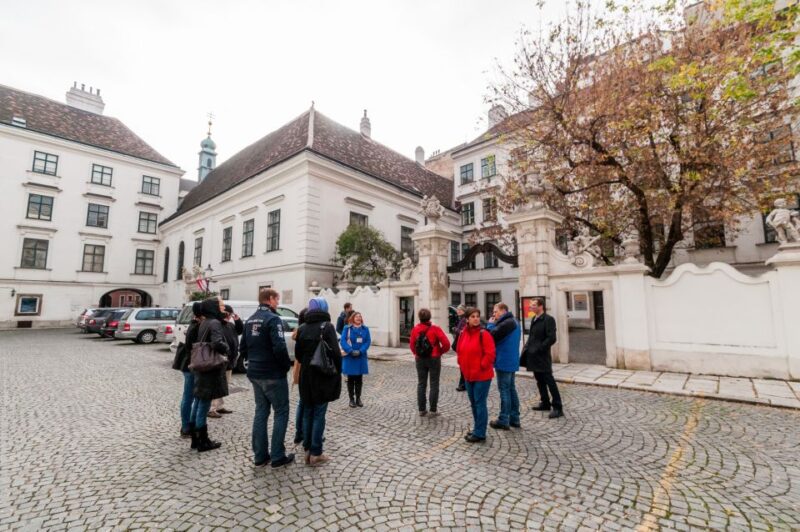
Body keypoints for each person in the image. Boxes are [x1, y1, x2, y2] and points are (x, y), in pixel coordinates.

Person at [240, 288, 295, 468]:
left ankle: (260, 456)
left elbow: (243, 348)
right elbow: (279, 347)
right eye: (277, 300)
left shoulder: (249, 320)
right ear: (270, 299)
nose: (278, 303)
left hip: (255, 372)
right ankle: (278, 455)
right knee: (281, 411)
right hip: (272, 373)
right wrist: (286, 365)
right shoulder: (273, 319)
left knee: (261, 412)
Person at [295, 297, 342, 466]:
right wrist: (337, 372)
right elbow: (336, 354)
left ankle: (307, 448)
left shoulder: (302, 328)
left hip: (306, 376)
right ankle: (316, 452)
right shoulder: (327, 327)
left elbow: (298, 355)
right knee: (319, 414)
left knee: (307, 411)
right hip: (322, 376)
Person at [191, 297, 230, 452]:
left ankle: (196, 438)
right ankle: (203, 441)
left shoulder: (205, 321)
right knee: (204, 404)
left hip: (202, 365)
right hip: (210, 367)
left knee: (200, 402)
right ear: (213, 307)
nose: (223, 307)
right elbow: (216, 343)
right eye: (219, 305)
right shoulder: (214, 322)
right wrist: (226, 348)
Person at [456, 307, 496, 443]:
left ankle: (480, 433)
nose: (476, 319)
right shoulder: (463, 333)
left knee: (479, 403)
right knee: (474, 403)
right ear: (467, 319)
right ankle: (477, 428)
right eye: (473, 316)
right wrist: (461, 363)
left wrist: (481, 366)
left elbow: (490, 354)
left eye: (477, 316)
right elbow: (459, 350)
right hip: (468, 375)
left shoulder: (484, 334)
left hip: (481, 376)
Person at [522, 297, 563, 419]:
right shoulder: (534, 318)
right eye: (531, 305)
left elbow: (551, 338)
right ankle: (545, 402)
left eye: (534, 305)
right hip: (533, 355)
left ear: (541, 306)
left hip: (542, 356)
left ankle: (558, 407)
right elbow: (532, 336)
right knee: (539, 380)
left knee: (549, 381)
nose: (531, 307)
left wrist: (540, 348)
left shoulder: (548, 319)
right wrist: (527, 347)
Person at [409, 308, 451, 417]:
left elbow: (412, 345)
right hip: (434, 358)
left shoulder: (415, 329)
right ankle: (433, 410)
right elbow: (446, 344)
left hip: (420, 359)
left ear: (419, 317)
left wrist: (416, 354)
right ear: (429, 317)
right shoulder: (435, 329)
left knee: (421, 384)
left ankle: (421, 410)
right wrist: (440, 352)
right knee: (434, 384)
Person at [487, 303, 522, 430]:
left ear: (503, 311)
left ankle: (504, 419)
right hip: (511, 360)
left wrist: (490, 325)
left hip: (504, 361)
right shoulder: (515, 321)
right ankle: (515, 418)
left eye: (495, 311)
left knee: (504, 390)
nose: (494, 314)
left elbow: (491, 337)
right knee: (511, 389)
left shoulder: (506, 323)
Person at [173, 302, 203, 441]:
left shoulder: (193, 324)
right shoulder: (196, 326)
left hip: (188, 364)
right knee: (189, 397)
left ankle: (187, 426)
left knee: (188, 396)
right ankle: (186, 426)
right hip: (191, 365)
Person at [209, 304, 244, 417]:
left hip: (230, 360)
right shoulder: (218, 324)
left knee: (225, 385)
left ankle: (219, 406)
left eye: (230, 314)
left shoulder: (230, 325)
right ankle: (212, 408)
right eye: (228, 314)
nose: (229, 316)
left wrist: (237, 320)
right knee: (217, 384)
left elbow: (240, 331)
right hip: (221, 359)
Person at [339, 311, 371, 408]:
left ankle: (358, 398)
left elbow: (367, 341)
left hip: (360, 357)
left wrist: (360, 351)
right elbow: (343, 340)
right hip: (350, 357)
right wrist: (350, 350)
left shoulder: (365, 329)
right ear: (352, 318)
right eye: (356, 316)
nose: (358, 318)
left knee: (359, 379)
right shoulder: (347, 328)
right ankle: (351, 399)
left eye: (360, 317)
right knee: (351, 379)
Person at [292, 308, 308, 445]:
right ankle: (303, 433)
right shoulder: (303, 331)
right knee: (305, 403)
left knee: (302, 403)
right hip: (304, 369)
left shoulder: (299, 331)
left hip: (299, 369)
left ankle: (299, 433)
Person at [452, 305, 467, 392]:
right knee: (462, 366)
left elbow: (462, 332)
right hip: (460, 344)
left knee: (463, 366)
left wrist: (455, 329)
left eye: (459, 310)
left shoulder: (464, 320)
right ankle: (463, 384)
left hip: (462, 345)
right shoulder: (461, 319)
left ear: (463, 311)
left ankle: (463, 385)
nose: (458, 311)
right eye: (457, 310)